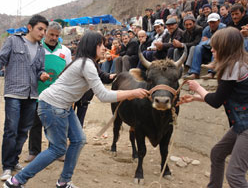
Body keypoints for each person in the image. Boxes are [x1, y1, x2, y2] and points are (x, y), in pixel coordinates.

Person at [3, 31, 149, 188]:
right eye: (101, 45)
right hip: (53, 105)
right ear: (92, 46)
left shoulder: (88, 63)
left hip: (62, 105)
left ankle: (64, 181)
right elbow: (103, 95)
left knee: (78, 140)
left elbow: (102, 78)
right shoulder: (86, 64)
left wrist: (117, 79)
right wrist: (132, 92)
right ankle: (16, 181)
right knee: (58, 149)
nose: (104, 48)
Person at [178, 27, 248, 188]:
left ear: (225, 48)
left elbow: (216, 100)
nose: (211, 50)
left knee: (235, 175)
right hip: (245, 122)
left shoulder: (233, 67)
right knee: (217, 153)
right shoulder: (241, 63)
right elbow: (224, 95)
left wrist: (197, 88)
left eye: (215, 47)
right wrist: (195, 98)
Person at [0, 14, 49, 181]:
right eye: (40, 29)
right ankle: (6, 166)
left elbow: (39, 69)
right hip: (14, 92)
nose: (43, 32)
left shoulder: (41, 49)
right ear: (30, 27)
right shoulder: (13, 41)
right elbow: (1, 59)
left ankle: (13, 161)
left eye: (44, 30)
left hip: (31, 95)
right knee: (11, 130)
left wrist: (42, 74)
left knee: (22, 131)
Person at [25, 21, 72, 164]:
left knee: (57, 124)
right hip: (36, 92)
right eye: (51, 34)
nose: (54, 37)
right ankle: (34, 152)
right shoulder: (36, 48)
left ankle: (57, 150)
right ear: (45, 33)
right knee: (35, 124)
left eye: (57, 35)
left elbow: (69, 71)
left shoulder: (65, 51)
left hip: (57, 96)